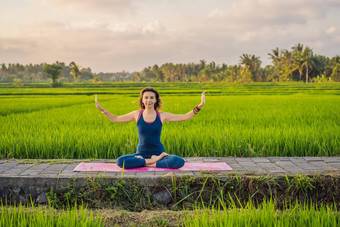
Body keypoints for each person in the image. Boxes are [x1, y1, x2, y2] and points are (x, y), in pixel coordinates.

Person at [95, 87, 206, 169]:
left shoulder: (162, 116)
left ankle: (149, 162)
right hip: (140, 154)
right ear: (142, 100)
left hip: (159, 154)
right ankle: (153, 162)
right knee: (120, 161)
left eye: (151, 98)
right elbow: (115, 119)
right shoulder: (136, 114)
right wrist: (102, 110)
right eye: (146, 98)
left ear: (155, 100)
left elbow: (186, 116)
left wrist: (200, 105)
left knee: (178, 161)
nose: (149, 100)